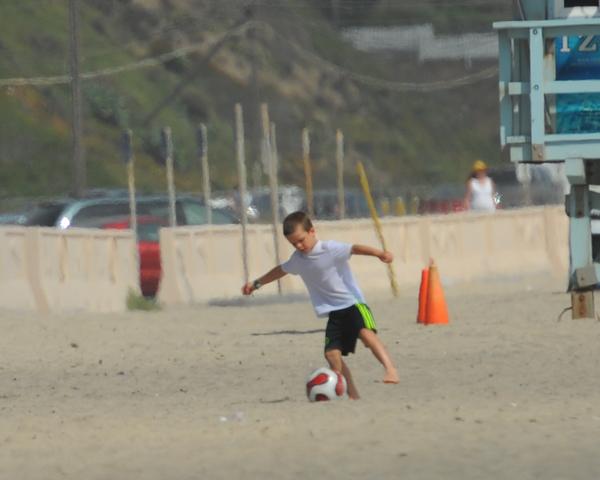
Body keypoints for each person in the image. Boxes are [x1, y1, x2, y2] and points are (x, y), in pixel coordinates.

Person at [241, 211, 399, 400]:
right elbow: (279, 271)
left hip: (353, 303)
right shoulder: (297, 260)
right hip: (333, 311)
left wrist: (379, 253)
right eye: (293, 244)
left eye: (301, 240)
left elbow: (354, 248)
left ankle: (390, 370)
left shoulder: (329, 248)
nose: (299, 246)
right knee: (332, 354)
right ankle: (352, 393)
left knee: (366, 334)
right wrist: (257, 283)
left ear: (312, 231)